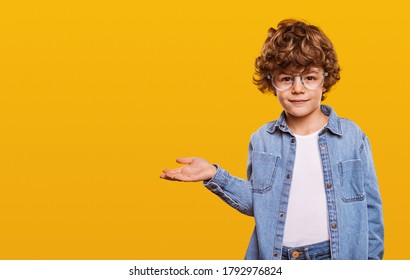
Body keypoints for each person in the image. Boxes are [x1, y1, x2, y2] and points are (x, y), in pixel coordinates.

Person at [160, 19, 384, 260]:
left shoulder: (351, 137)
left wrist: (371, 266)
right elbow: (261, 204)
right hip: (278, 258)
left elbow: (371, 209)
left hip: (335, 257)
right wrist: (214, 175)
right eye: (286, 79)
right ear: (272, 82)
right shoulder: (262, 140)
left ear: (325, 80)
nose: (298, 89)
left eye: (309, 78)